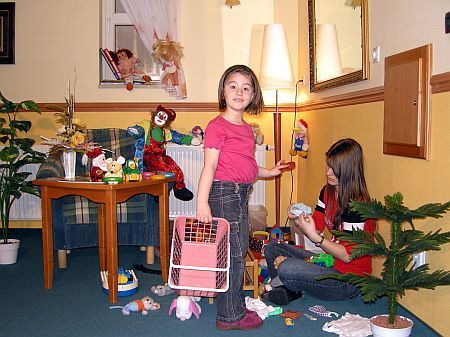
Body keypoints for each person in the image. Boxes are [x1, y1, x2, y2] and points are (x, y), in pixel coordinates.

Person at [196, 64, 290, 331]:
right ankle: (230, 316)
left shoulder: (247, 129)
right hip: (225, 193)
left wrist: (270, 171)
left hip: (239, 195)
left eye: (246, 87)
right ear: (223, 92)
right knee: (233, 256)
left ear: (253, 95)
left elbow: (248, 165)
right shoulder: (217, 126)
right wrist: (202, 202)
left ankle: (233, 305)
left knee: (236, 252)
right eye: (233, 86)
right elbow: (210, 166)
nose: (239, 91)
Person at [262, 138, 376, 306]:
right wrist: (299, 217)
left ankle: (286, 287)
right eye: (328, 165)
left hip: (348, 281)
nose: (328, 173)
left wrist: (317, 239)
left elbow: (347, 256)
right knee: (272, 248)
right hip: (328, 263)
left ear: (349, 171)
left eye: (335, 169)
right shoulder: (328, 191)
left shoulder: (357, 206)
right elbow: (317, 224)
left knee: (287, 267)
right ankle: (288, 288)